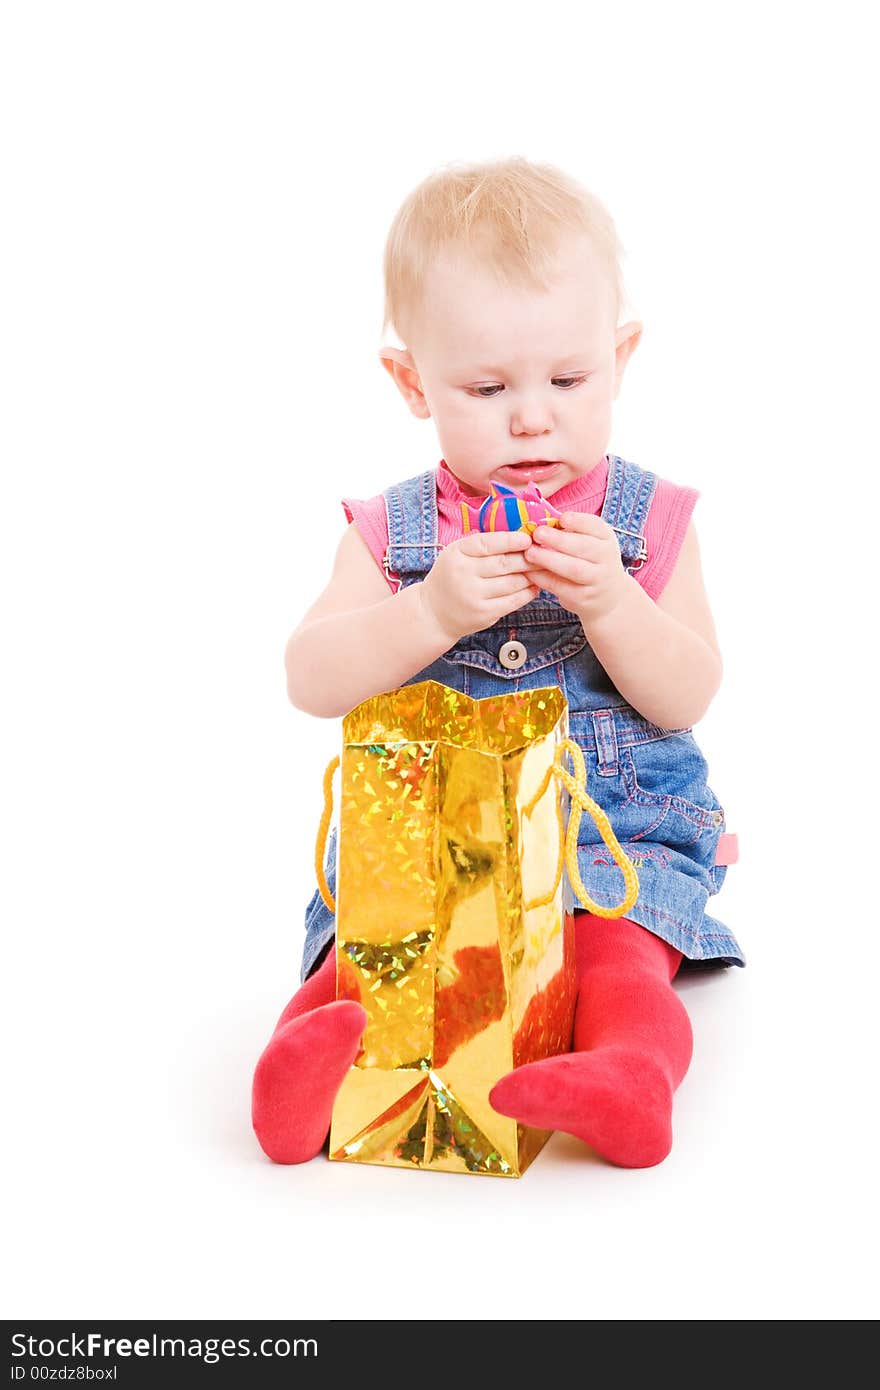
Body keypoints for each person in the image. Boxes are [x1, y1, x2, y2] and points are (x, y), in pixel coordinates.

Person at [252, 156, 743, 1170]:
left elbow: (687, 689)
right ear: (411, 382)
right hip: (427, 848)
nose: (531, 417)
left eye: (568, 380)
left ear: (620, 358)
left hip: (601, 848)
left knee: (616, 956)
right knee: (374, 955)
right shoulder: (393, 533)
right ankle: (301, 1071)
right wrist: (426, 608)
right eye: (486, 387)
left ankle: (628, 1075)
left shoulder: (646, 523)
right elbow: (310, 677)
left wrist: (610, 599)